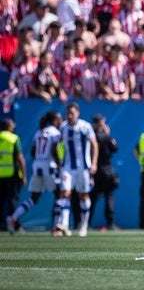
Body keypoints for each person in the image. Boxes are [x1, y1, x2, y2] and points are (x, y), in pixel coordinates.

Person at [7, 112, 62, 235]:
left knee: (33, 198)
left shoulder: (39, 132)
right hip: (50, 166)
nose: (61, 122)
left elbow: (33, 151)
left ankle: (13, 218)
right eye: (60, 119)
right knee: (59, 195)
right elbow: (54, 149)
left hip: (37, 166)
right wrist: (59, 164)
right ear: (56, 120)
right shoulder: (55, 132)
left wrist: (40, 158)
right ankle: (55, 228)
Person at [56, 102, 98, 237]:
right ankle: (65, 224)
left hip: (83, 167)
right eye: (67, 113)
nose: (69, 116)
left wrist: (94, 163)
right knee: (66, 193)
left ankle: (84, 225)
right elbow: (57, 145)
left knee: (83, 196)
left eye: (72, 113)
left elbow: (94, 145)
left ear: (77, 113)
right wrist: (59, 161)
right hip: (68, 167)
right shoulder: (63, 127)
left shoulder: (85, 126)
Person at [89, 114, 119, 231]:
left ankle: (86, 222)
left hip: (95, 170)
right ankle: (110, 223)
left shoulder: (90, 135)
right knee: (109, 197)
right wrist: (108, 135)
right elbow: (115, 148)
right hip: (106, 169)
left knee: (92, 198)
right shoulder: (104, 136)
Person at [0, 118, 26, 232]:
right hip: (12, 174)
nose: (14, 125)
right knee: (13, 201)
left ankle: (1, 224)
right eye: (12, 124)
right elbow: (20, 158)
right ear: (8, 126)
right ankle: (15, 224)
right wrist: (24, 175)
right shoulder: (13, 138)